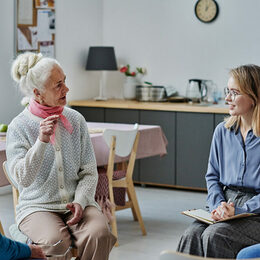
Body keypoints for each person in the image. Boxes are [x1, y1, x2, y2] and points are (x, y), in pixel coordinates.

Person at [6, 52, 116, 260]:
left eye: (64, 81)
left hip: (77, 203)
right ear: (38, 93)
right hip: (37, 207)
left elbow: (89, 171)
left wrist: (81, 201)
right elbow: (22, 179)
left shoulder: (76, 120)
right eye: (58, 85)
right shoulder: (19, 126)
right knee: (55, 242)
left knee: (99, 234)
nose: (66, 89)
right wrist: (41, 142)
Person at [177, 64, 260, 258]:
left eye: (234, 92)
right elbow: (212, 177)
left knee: (216, 235)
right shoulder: (222, 132)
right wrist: (219, 205)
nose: (227, 98)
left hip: (256, 213)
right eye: (227, 91)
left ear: (254, 97)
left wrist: (239, 210)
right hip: (224, 204)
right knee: (191, 235)